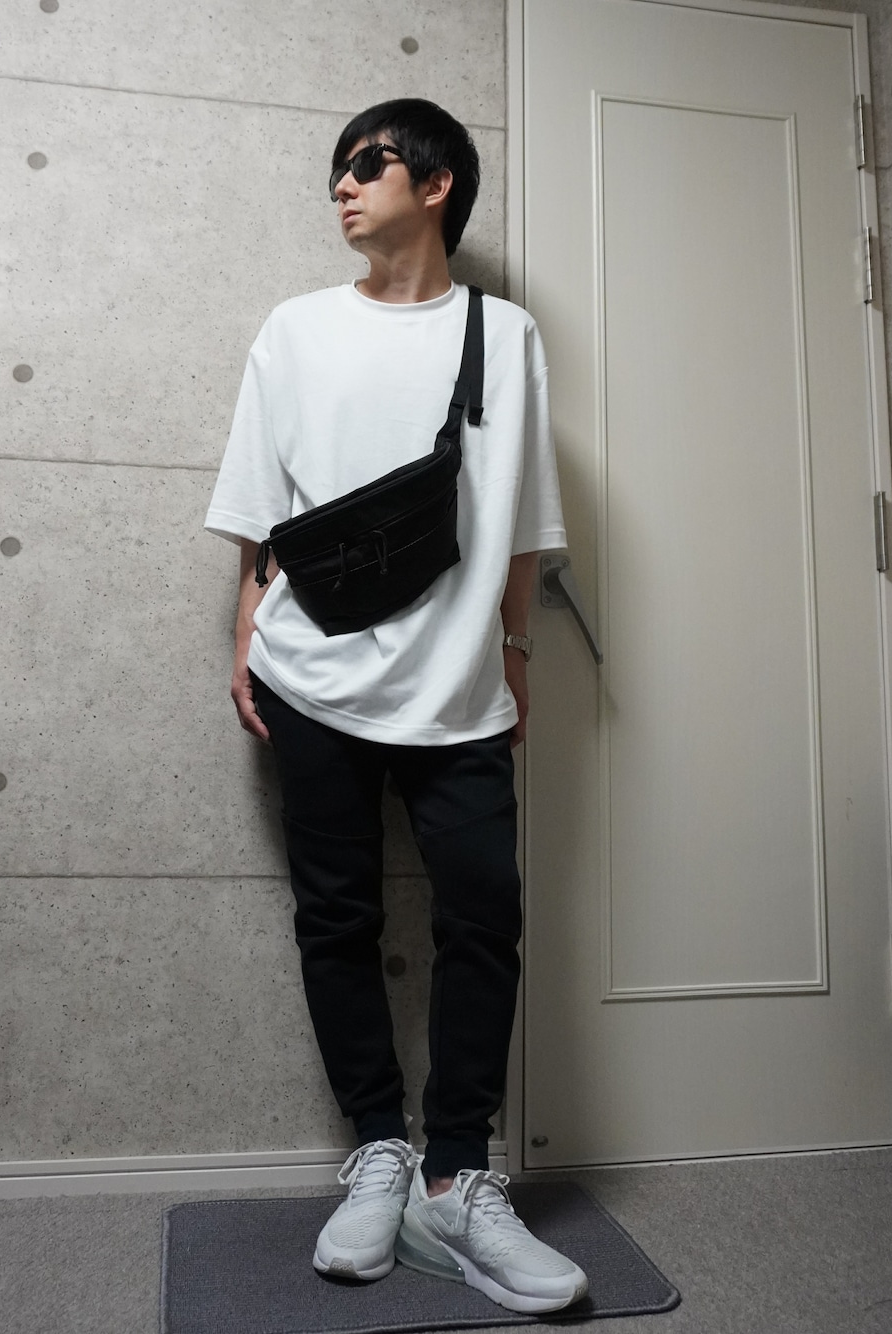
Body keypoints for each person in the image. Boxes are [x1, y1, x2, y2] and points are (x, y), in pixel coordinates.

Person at [205, 98, 587, 1316]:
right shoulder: (295, 326)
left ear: (436, 185)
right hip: (309, 674)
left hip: (458, 684)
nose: (341, 186)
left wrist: (513, 650)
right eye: (338, 170)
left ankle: (457, 1176)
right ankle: (377, 1148)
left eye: (365, 165)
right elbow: (262, 500)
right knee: (337, 914)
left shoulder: (502, 332)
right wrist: (244, 636)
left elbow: (521, 516)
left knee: (485, 916)